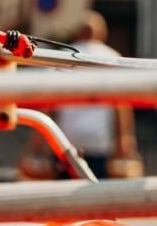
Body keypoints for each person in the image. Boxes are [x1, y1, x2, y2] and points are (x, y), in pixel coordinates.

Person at [51, 12, 139, 178]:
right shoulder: (112, 57)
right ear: (102, 34)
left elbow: (51, 101)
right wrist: (125, 139)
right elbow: (120, 105)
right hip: (98, 139)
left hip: (66, 137)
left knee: (63, 186)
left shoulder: (63, 55)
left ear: (78, 32)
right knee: (93, 186)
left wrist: (39, 141)